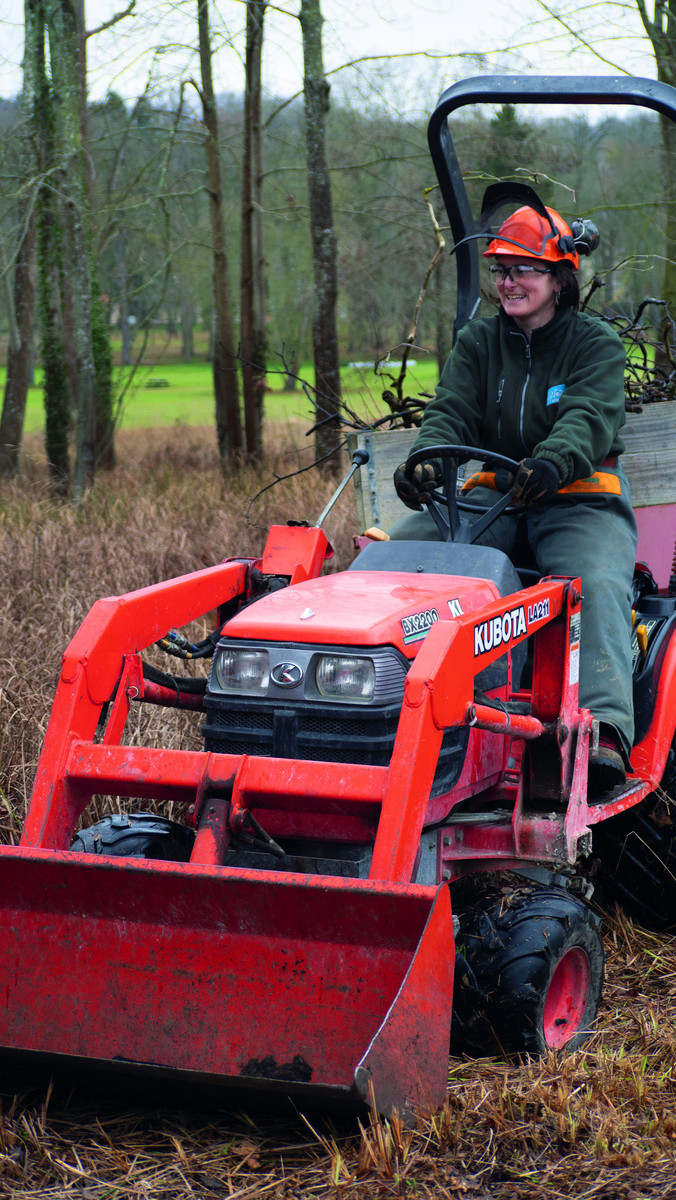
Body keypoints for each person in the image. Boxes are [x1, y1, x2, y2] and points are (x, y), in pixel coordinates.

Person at [391, 200, 637, 794]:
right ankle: (386, 707)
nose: (508, 282)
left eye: (524, 269)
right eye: (501, 269)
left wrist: (553, 463)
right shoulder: (479, 342)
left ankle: (601, 729)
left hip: (578, 496)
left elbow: (587, 418)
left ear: (559, 278)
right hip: (496, 495)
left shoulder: (594, 345)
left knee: (594, 582)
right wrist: (425, 463)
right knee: (399, 564)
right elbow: (449, 412)